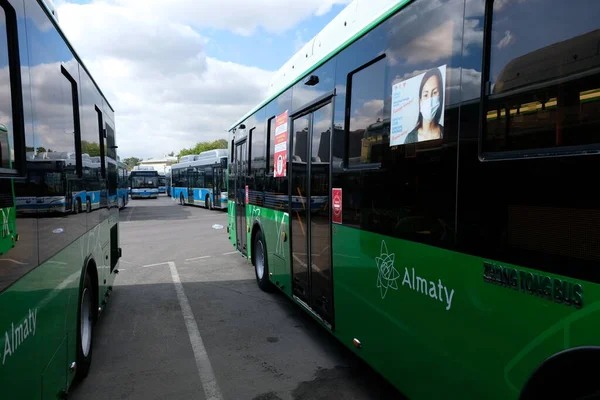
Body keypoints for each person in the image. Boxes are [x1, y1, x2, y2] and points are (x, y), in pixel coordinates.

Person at [404, 67, 444, 143]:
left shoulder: (444, 132)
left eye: (434, 93)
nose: (430, 99)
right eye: (425, 95)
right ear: (420, 101)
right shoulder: (410, 138)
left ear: (440, 97)